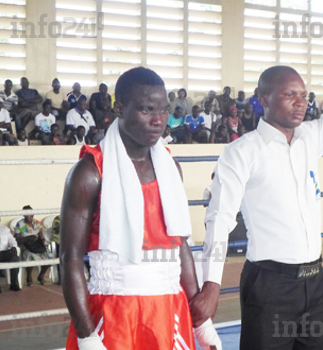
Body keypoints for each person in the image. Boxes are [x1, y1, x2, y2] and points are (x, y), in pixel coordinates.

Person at [190, 21, 323, 350]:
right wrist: (211, 283)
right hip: (269, 284)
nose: (300, 102)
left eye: (303, 95)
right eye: (289, 94)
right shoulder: (241, 152)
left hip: (314, 283)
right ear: (263, 99)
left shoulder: (311, 137)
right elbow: (219, 219)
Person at [60, 67, 215, 350]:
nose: (158, 120)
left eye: (164, 110)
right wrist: (86, 334)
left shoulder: (171, 169)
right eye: (146, 110)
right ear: (119, 108)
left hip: (169, 310)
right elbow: (70, 257)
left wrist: (201, 321)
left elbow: (179, 245)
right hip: (115, 312)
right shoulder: (90, 172)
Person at [14, 205, 51, 286]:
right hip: (25, 245)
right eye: (25, 213)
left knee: (48, 256)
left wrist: (43, 241)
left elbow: (41, 235)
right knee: (29, 256)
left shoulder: (37, 222)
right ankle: (29, 277)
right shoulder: (20, 224)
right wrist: (27, 238)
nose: (28, 215)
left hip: (37, 245)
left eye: (29, 213)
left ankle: (41, 276)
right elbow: (16, 239)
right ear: (23, 214)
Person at [0, 214, 21, 293]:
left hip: (4, 252)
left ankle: (14, 284)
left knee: (15, 258)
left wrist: (13, 246)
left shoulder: (5, 229)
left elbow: (12, 240)